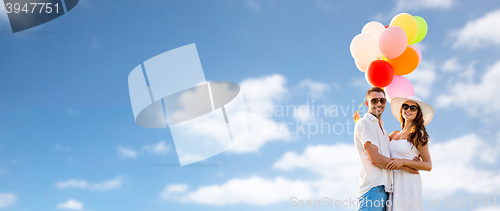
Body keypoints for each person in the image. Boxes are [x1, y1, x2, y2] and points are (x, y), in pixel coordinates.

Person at [353, 87, 419, 211]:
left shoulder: (383, 130)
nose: (379, 104)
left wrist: (412, 157)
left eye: (382, 101)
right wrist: (406, 167)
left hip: (386, 189)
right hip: (373, 188)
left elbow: (395, 150)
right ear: (367, 103)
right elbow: (375, 159)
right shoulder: (365, 123)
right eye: (374, 101)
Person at [385, 96, 433, 211]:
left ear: (418, 113)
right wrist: (363, 122)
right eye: (406, 106)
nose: (408, 110)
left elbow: (428, 165)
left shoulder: (418, 134)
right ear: (401, 109)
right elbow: (378, 146)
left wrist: (403, 162)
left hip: (408, 182)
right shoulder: (393, 134)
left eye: (413, 108)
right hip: (392, 182)